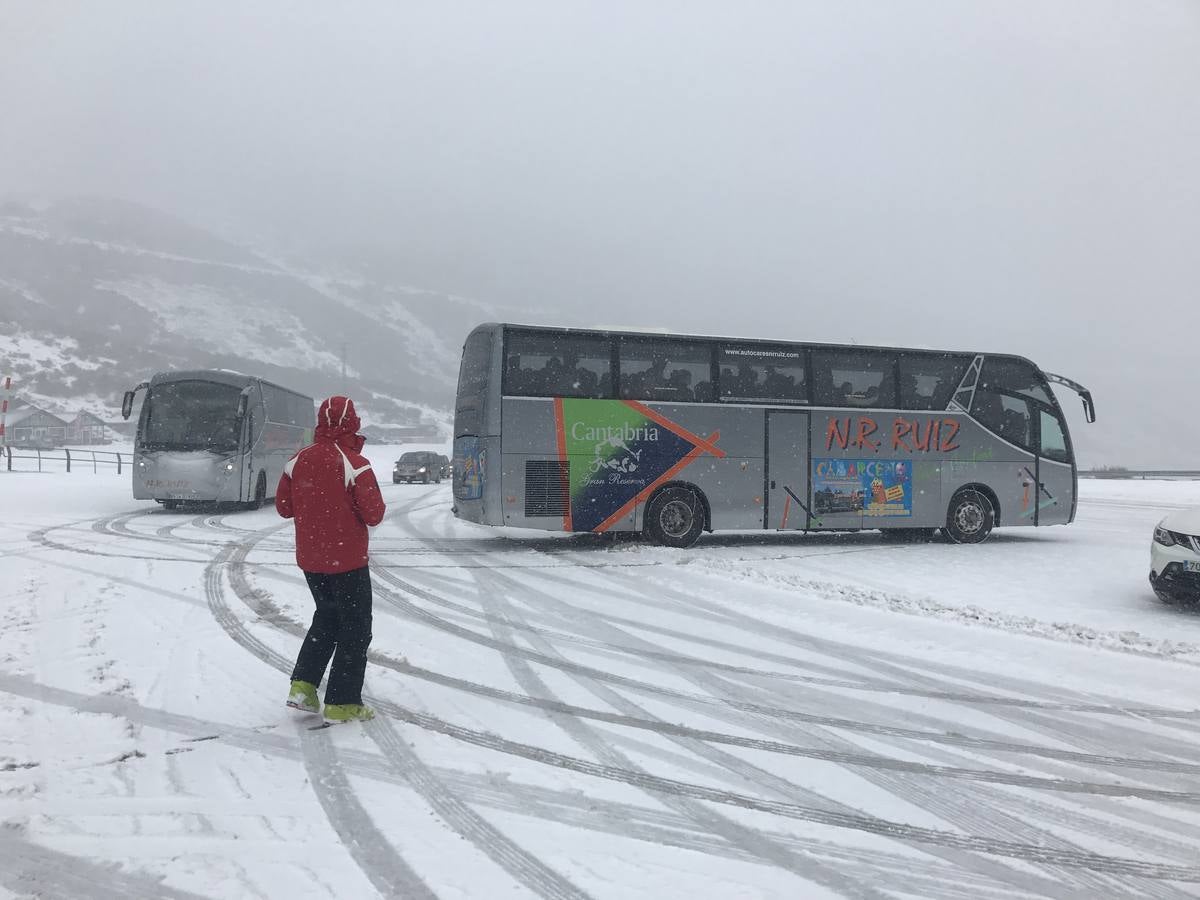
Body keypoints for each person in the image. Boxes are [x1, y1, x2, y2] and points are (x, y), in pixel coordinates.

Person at [276, 396, 386, 724]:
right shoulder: (355, 463)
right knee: (356, 628)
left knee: (326, 619)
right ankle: (342, 701)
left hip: (311, 561)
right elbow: (374, 514)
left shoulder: (297, 461)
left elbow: (284, 507)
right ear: (352, 423)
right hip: (348, 561)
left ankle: (303, 687)